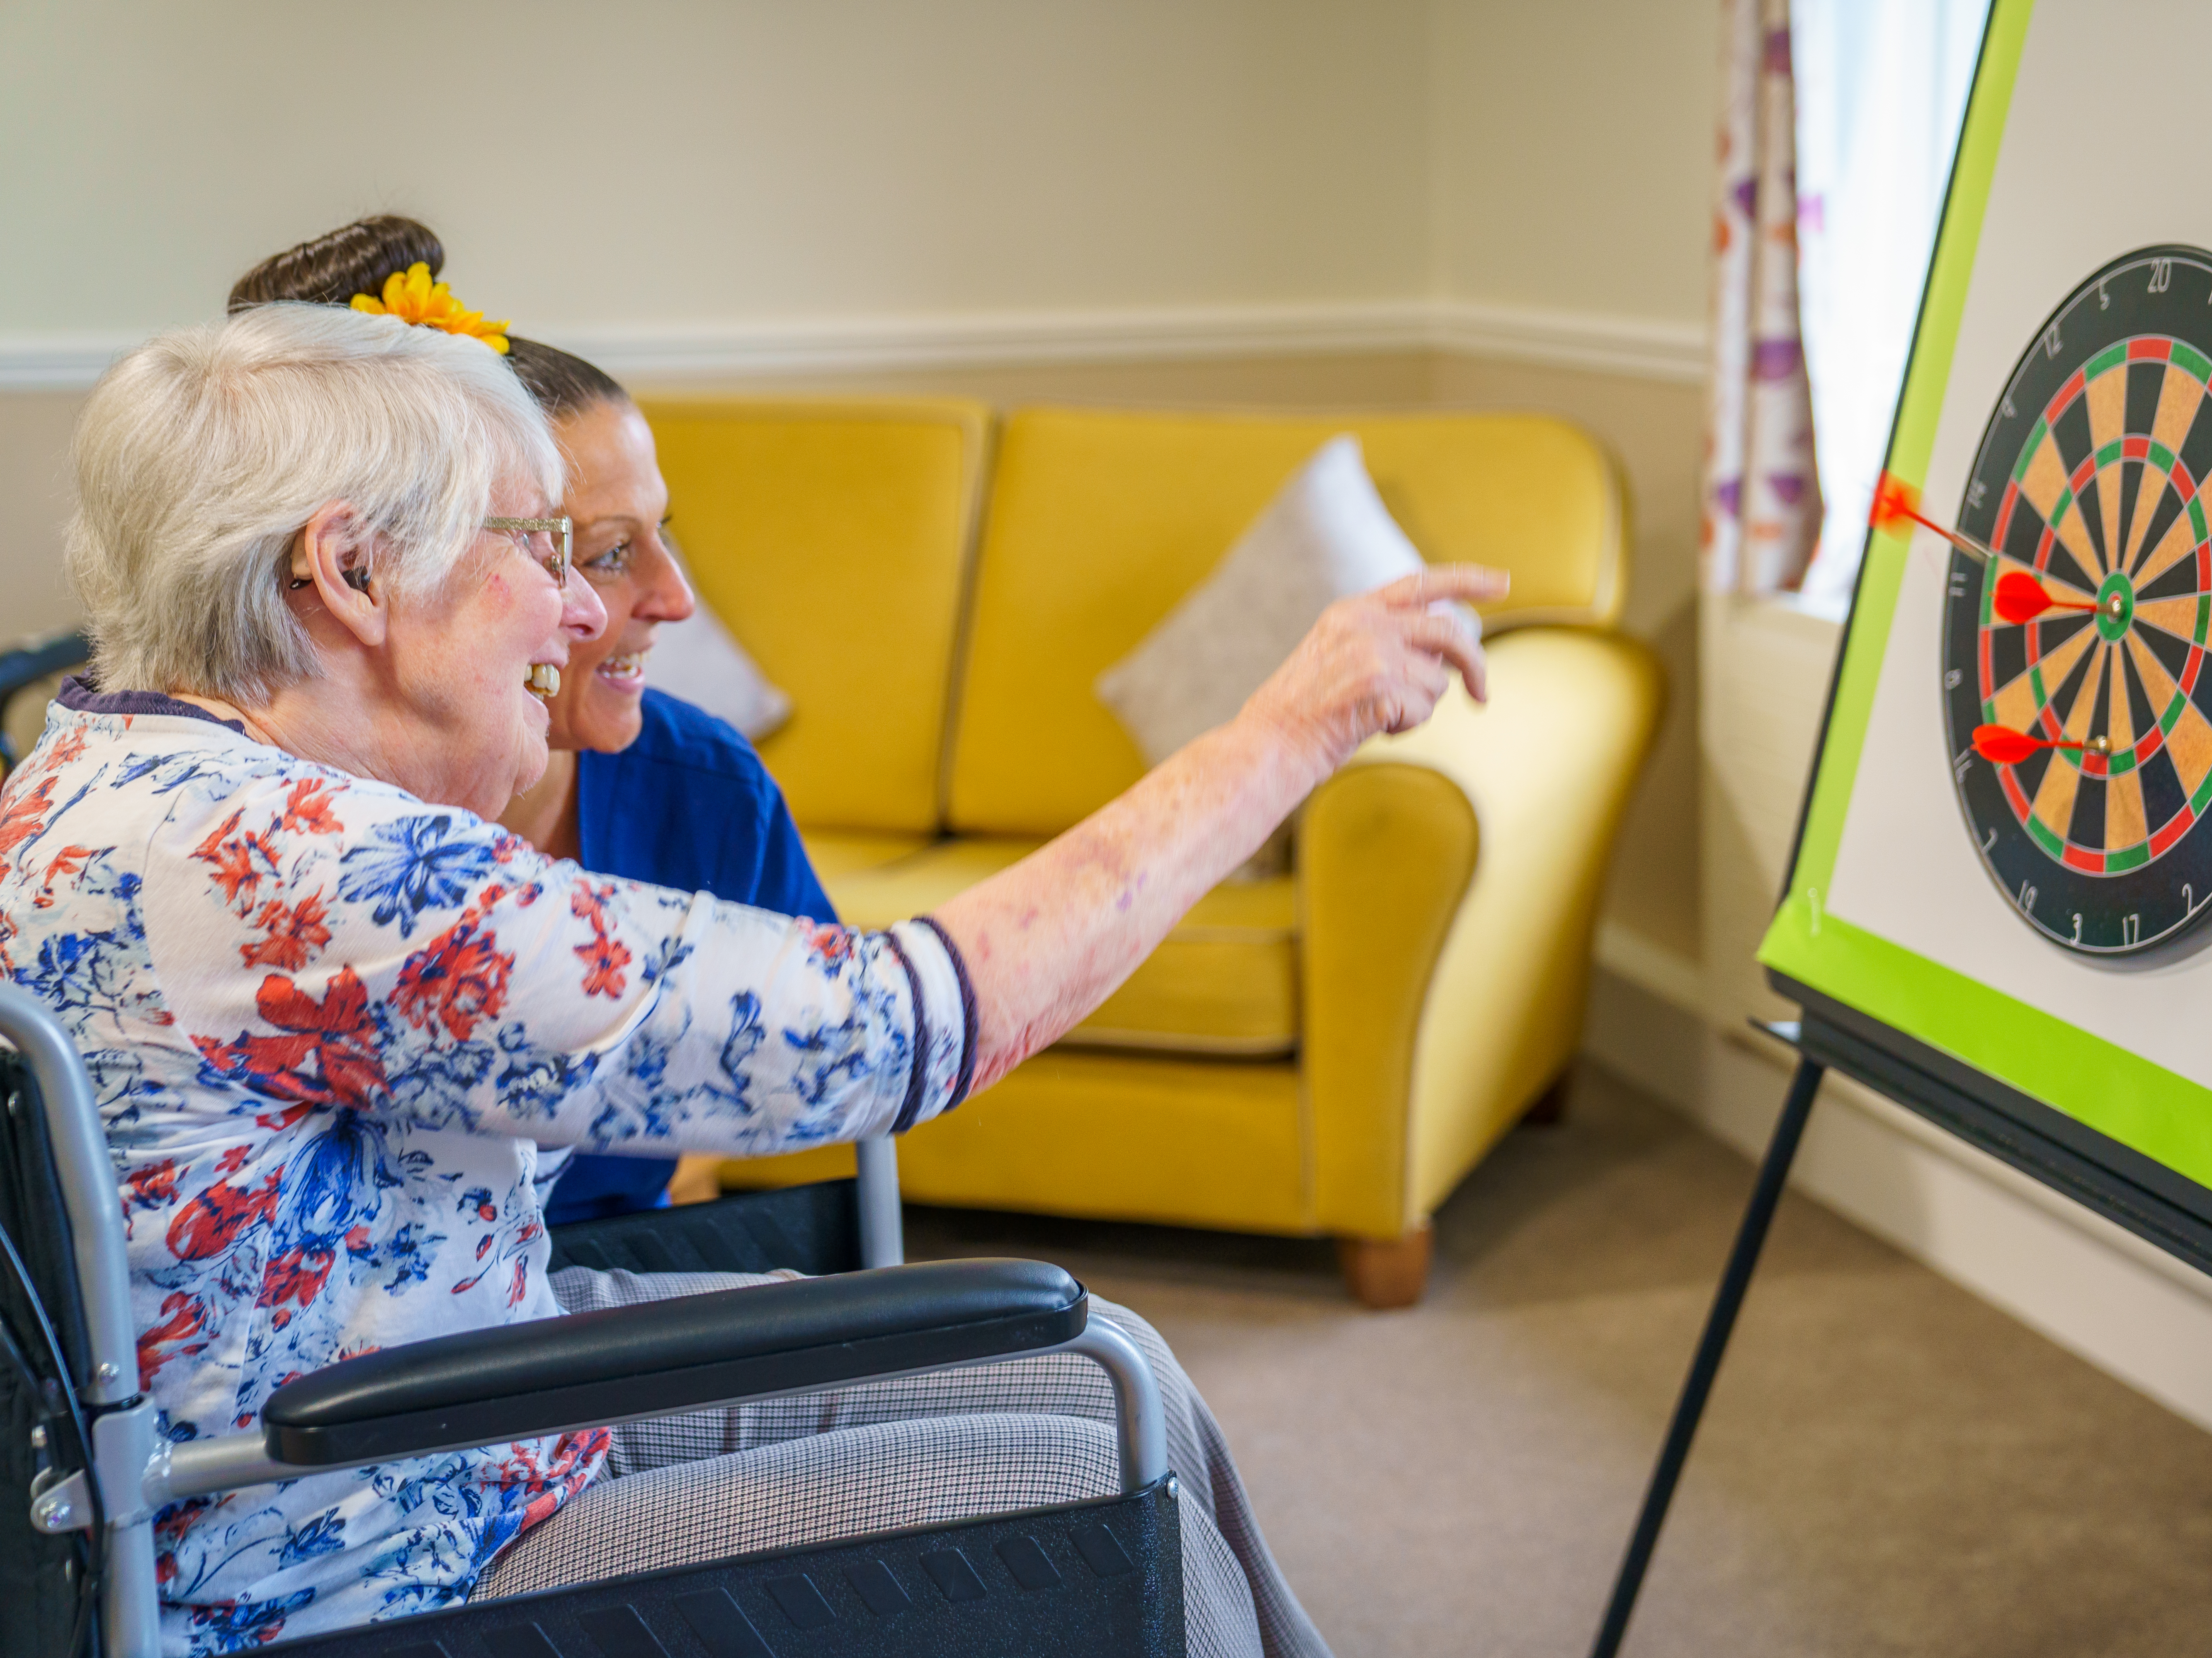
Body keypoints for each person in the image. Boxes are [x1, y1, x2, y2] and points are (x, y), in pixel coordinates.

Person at [0, 299, 1504, 1656]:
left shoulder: (89, 773)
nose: (583, 608)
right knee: (1115, 1468)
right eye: (535, 547)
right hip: (375, 1549)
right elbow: (902, 1028)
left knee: (1121, 1364)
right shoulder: (330, 876)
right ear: (351, 572)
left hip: (402, 1426)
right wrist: (1288, 734)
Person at [230, 217, 793, 1223]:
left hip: (597, 1299)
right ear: (381, 572)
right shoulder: (262, 831)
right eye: (604, 552)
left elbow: (826, 1059)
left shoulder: (706, 788)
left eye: (664, 539)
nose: (675, 599)